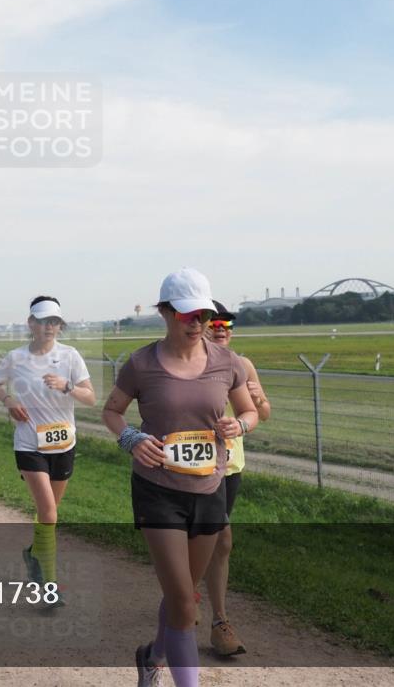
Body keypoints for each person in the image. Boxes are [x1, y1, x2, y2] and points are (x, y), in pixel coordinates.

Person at [101, 269, 258, 687]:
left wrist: (239, 426)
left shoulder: (228, 362)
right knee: (184, 605)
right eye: (188, 314)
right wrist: (132, 438)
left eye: (203, 315)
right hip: (158, 490)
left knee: (183, 594)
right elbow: (111, 411)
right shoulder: (141, 363)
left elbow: (250, 411)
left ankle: (152, 657)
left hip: (209, 488)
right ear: (166, 312)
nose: (197, 324)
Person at [0, 296, 95, 596]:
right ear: (31, 323)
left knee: (50, 513)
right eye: (43, 320)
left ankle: (34, 553)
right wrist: (8, 400)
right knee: (48, 511)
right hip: (29, 444)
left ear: (60, 326)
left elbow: (91, 398)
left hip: (63, 443)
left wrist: (68, 386)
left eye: (55, 322)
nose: (49, 327)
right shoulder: (16, 357)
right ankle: (49, 583)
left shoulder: (71, 356)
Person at [201, 300, 271, 656]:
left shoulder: (242, 365)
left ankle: (206, 609)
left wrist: (257, 401)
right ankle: (218, 619)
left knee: (217, 540)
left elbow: (264, 413)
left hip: (230, 467)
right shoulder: (185, 366)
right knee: (218, 537)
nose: (222, 328)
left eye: (226, 323)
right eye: (214, 323)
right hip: (193, 468)